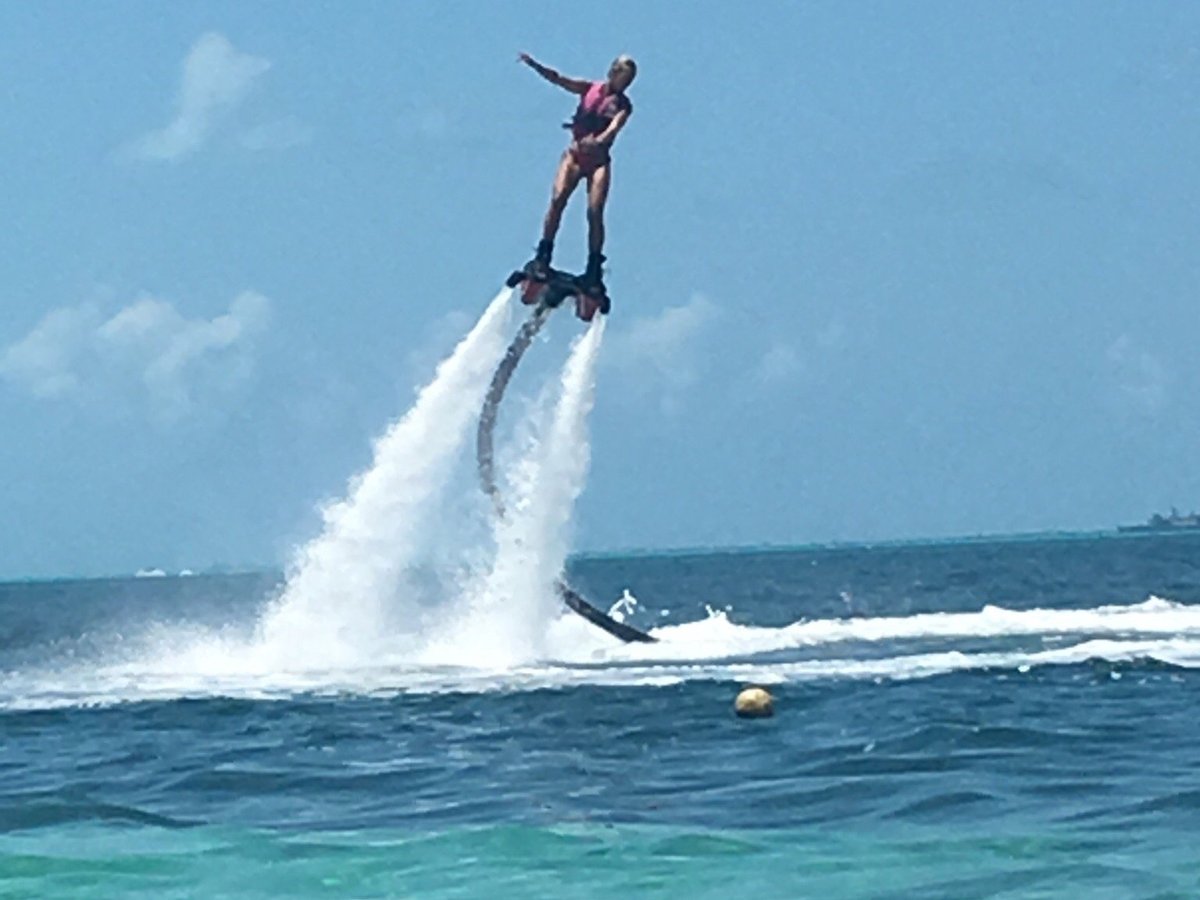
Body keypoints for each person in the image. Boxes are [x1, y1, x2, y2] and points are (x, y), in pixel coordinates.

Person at [517, 52, 636, 295]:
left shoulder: (624, 106)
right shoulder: (589, 88)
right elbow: (560, 79)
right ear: (613, 73)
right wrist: (535, 65)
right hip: (574, 157)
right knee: (558, 200)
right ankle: (543, 255)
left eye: (630, 79)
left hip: (598, 161)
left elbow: (614, 128)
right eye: (624, 77)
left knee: (594, 212)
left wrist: (599, 140)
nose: (627, 83)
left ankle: (593, 269)